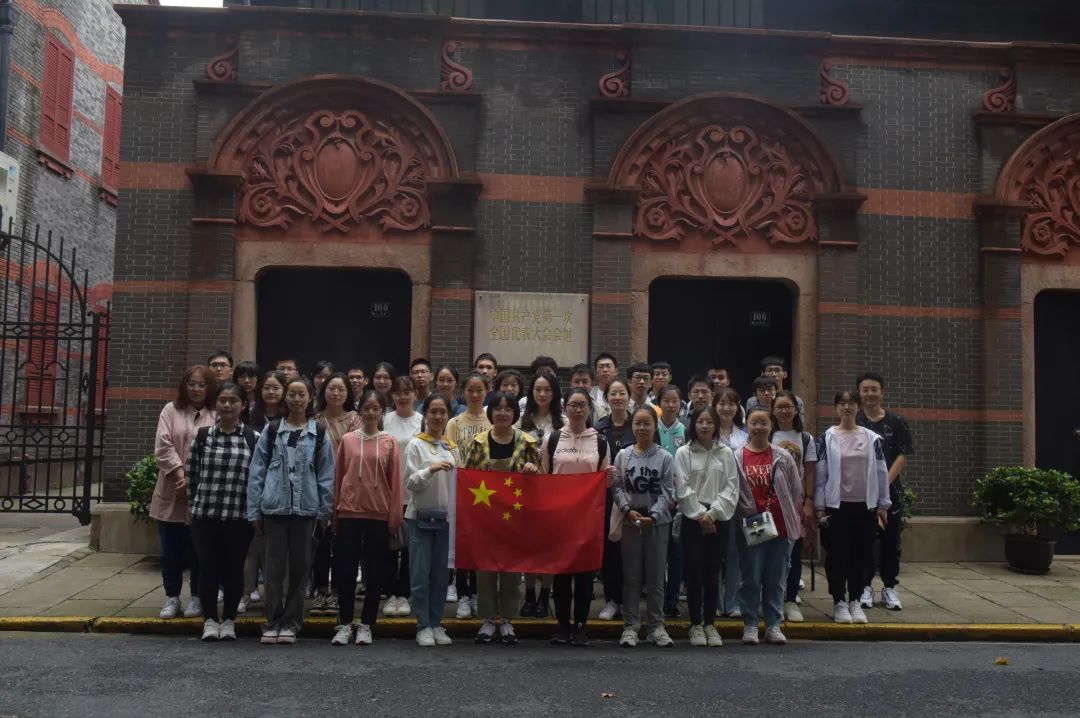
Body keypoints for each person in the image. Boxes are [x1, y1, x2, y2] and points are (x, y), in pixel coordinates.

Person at [246, 376, 335, 645]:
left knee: (300, 569)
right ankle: (272, 621)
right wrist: (254, 511)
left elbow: (326, 475)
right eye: (292, 394)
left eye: (302, 394)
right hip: (274, 510)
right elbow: (257, 472)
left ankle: (292, 623)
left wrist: (324, 511)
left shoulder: (319, 432)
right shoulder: (272, 430)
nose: (297, 399)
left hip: (306, 512)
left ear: (310, 398)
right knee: (273, 570)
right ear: (286, 398)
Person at [462, 391, 540, 645]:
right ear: (491, 412)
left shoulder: (528, 443)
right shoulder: (477, 443)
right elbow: (467, 477)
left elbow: (541, 483)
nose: (503, 413)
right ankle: (487, 620)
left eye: (508, 409)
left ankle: (507, 620)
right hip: (484, 518)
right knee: (485, 569)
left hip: (516, 518)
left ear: (515, 413)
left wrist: (533, 470)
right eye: (498, 408)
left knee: (511, 569)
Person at [541, 387, 615, 647]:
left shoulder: (601, 441)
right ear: (565, 408)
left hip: (587, 519)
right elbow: (545, 477)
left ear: (589, 409)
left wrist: (610, 478)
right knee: (562, 574)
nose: (578, 409)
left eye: (582, 405)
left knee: (584, 574)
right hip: (560, 518)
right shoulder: (552, 439)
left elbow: (604, 483)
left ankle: (581, 625)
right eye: (573, 404)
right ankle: (562, 625)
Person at [331, 389, 403, 646]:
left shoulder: (390, 442)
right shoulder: (348, 440)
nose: (371, 412)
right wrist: (335, 512)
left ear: (382, 412)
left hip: (378, 515)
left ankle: (367, 623)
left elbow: (395, 482)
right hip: (349, 512)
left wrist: (394, 517)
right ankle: (345, 622)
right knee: (346, 571)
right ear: (359, 410)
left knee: (374, 573)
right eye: (366, 407)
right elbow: (339, 476)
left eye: (376, 408)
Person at [186, 381, 256, 641]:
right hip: (206, 515)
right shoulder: (203, 436)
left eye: (233, 401)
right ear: (216, 404)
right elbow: (192, 474)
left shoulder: (253, 438)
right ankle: (209, 619)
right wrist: (194, 506)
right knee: (208, 568)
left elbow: (256, 479)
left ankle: (228, 620)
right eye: (223, 400)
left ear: (243, 405)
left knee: (234, 569)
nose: (227, 405)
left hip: (239, 517)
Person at [815, 389, 890, 625]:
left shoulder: (872, 438)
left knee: (862, 556)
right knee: (837, 556)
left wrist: (883, 504)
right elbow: (821, 474)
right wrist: (819, 506)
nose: (846, 407)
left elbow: (881, 471)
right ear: (836, 408)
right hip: (836, 507)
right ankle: (839, 600)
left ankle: (855, 600)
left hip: (865, 507)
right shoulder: (826, 438)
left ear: (858, 407)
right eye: (842, 403)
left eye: (851, 403)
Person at [734, 406, 805, 646]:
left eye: (763, 423)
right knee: (751, 577)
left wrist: (790, 514)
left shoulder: (782, 456)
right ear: (747, 425)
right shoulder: (737, 456)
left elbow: (796, 489)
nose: (759, 427)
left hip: (780, 526)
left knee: (776, 578)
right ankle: (750, 624)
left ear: (771, 425)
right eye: (754, 423)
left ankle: (773, 624)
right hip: (751, 525)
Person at [153, 366, 217, 620]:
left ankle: (197, 596)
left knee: (201, 550)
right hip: (173, 490)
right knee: (171, 549)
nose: (196, 389)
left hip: (204, 492)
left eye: (202, 385)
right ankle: (172, 596)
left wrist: (195, 480)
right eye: (192, 384)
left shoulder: (215, 413)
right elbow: (163, 445)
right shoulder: (171, 410)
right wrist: (180, 474)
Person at [674, 405, 738, 647]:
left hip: (719, 519)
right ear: (693, 424)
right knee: (694, 573)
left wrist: (713, 514)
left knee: (713, 573)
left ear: (716, 425)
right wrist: (701, 515)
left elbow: (731, 486)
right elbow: (682, 489)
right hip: (693, 520)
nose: (704, 425)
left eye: (709, 421)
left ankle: (710, 623)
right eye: (700, 421)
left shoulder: (726, 453)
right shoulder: (683, 453)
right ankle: (695, 624)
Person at [613, 406, 676, 648]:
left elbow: (668, 491)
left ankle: (656, 626)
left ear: (654, 426)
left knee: (655, 577)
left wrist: (655, 515)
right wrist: (627, 510)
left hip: (658, 524)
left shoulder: (665, 457)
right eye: (637, 423)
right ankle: (631, 626)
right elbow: (617, 486)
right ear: (632, 426)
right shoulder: (623, 456)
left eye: (646, 423)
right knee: (631, 577)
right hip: (631, 522)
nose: (642, 428)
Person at [856, 372, 914, 611]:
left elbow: (902, 455)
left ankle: (889, 586)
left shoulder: (896, 421)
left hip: (891, 493)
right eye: (865, 390)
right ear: (859, 393)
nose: (869, 394)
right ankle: (864, 586)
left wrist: (884, 483)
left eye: (874, 389)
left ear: (882, 392)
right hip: (860, 493)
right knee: (865, 541)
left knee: (891, 541)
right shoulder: (855, 421)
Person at [404, 394, 458, 647]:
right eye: (433, 411)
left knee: (440, 576)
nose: (438, 416)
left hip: (447, 521)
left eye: (442, 412)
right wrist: (430, 469)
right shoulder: (416, 445)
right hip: (420, 519)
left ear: (448, 415)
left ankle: (436, 623)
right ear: (425, 414)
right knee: (419, 575)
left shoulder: (453, 447)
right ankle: (423, 625)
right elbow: (410, 482)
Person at [311, 373, 362, 618]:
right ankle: (321, 590)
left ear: (348, 393)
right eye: (331, 388)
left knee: (342, 544)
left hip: (347, 487)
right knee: (320, 542)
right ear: (324, 392)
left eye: (341, 389)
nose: (336, 393)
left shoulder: (354, 420)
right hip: (318, 487)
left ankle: (339, 592)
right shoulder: (315, 420)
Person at [515, 373, 565, 616]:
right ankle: (529, 595)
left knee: (549, 546)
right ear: (531, 392)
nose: (542, 394)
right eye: (538, 389)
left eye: (547, 389)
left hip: (553, 491)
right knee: (529, 545)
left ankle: (545, 595)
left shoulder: (563, 422)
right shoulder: (521, 421)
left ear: (554, 393)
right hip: (526, 490)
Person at [444, 372, 492, 619]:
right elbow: (450, 454)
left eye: (479, 390)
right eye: (470, 390)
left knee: (482, 547)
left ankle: (476, 594)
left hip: (488, 493)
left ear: (487, 391)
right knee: (463, 544)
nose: (474, 395)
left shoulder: (492, 419)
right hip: (462, 491)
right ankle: (463, 595)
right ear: (463, 392)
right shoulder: (454, 423)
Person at [770, 390, 817, 622]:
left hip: (796, 503)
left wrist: (809, 501)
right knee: (770, 553)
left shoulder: (806, 438)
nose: (784, 411)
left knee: (794, 554)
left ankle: (790, 600)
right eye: (779, 407)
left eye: (788, 407)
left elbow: (809, 472)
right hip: (770, 503)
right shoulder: (767, 433)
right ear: (772, 410)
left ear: (796, 410)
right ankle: (771, 600)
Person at [382, 376, 423, 618]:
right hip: (388, 493)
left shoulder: (422, 421)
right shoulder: (385, 420)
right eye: (398, 392)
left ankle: (405, 593)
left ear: (415, 394)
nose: (403, 396)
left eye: (408, 392)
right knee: (388, 546)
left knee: (410, 548)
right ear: (392, 396)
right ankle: (390, 594)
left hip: (414, 493)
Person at [594, 377, 633, 621]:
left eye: (622, 393)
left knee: (631, 552)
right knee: (610, 550)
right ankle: (611, 600)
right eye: (613, 394)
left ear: (629, 397)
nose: (618, 398)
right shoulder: (598, 428)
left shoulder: (640, 423)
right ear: (606, 398)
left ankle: (629, 600)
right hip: (607, 498)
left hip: (635, 495)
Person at [713, 386, 748, 617]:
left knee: (736, 553)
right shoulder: (707, 432)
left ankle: (733, 602)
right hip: (713, 500)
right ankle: (715, 602)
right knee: (715, 553)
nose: (726, 408)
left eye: (731, 404)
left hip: (738, 501)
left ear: (738, 408)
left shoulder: (745, 436)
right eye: (722, 403)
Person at [656, 384, 686, 618]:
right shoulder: (652, 427)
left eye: (675, 400)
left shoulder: (685, 430)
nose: (670, 405)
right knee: (657, 556)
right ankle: (657, 598)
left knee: (676, 555)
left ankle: (672, 599)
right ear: (659, 403)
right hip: (655, 500)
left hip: (679, 501)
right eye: (666, 400)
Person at [754, 356, 805, 422]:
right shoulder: (753, 401)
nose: (774, 374)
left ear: (785, 374)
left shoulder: (796, 401)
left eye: (777, 371)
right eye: (769, 371)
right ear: (762, 374)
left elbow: (800, 425)